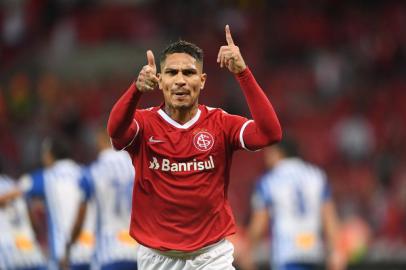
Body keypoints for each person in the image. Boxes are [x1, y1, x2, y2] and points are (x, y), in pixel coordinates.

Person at [107, 24, 282, 269]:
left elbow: (270, 133)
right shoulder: (144, 124)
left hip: (211, 256)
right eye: (172, 72)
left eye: (188, 73)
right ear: (160, 80)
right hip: (157, 258)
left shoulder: (220, 123)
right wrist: (135, 89)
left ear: (202, 81)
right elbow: (115, 131)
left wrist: (243, 73)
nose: (180, 80)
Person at [248, 139, 346, 270]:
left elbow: (259, 224)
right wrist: (336, 251)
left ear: (277, 153)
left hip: (286, 253)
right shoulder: (317, 176)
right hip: (313, 252)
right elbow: (329, 217)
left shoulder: (268, 181)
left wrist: (249, 250)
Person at [15, 137, 96, 270]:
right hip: (93, 252)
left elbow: (19, 188)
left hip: (65, 257)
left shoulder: (47, 177)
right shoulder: (85, 172)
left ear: (49, 155)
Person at [63, 128, 138, 270]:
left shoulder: (92, 172)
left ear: (101, 138)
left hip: (109, 253)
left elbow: (80, 218)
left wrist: (69, 244)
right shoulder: (136, 167)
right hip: (137, 251)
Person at [0, 170, 46, 270]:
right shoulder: (16, 184)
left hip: (7, 250)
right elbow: (32, 218)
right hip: (29, 248)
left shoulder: (18, 185)